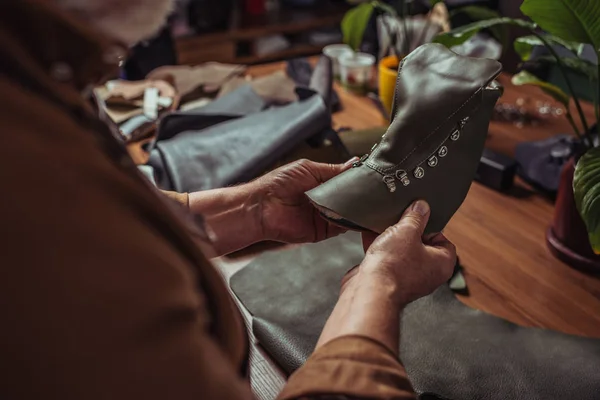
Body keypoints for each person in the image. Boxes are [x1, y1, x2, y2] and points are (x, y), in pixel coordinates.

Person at [0, 1, 457, 399]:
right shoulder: (24, 171)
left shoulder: (34, 76)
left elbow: (99, 228)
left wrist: (250, 210)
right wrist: (377, 288)